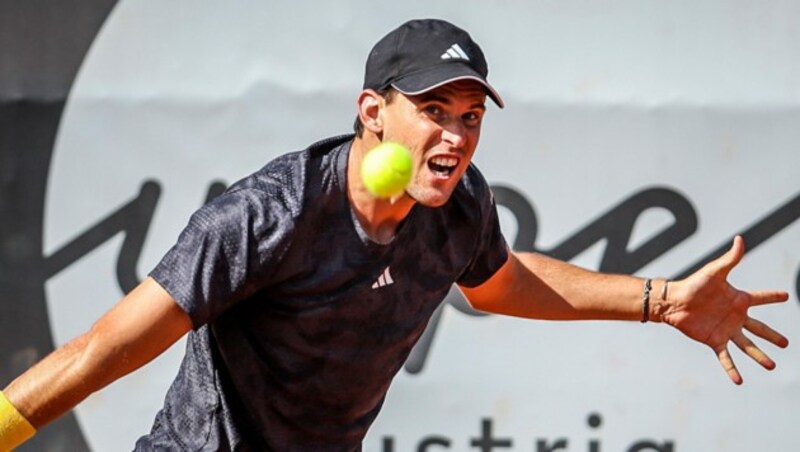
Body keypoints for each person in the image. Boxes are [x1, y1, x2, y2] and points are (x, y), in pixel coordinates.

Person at [0, 18, 790, 452]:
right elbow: (102, 352)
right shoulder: (268, 215)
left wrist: (659, 301)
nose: (455, 136)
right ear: (373, 111)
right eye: (433, 111)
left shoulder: (460, 208)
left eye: (470, 118)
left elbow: (504, 282)